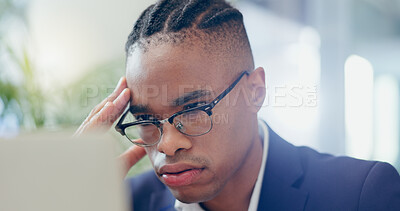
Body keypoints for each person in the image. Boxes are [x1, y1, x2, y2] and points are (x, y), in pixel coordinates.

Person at [75, 0, 400, 210]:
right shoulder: (126, 202)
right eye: (146, 119)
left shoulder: (360, 195)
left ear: (255, 92)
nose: (167, 146)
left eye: (191, 110)